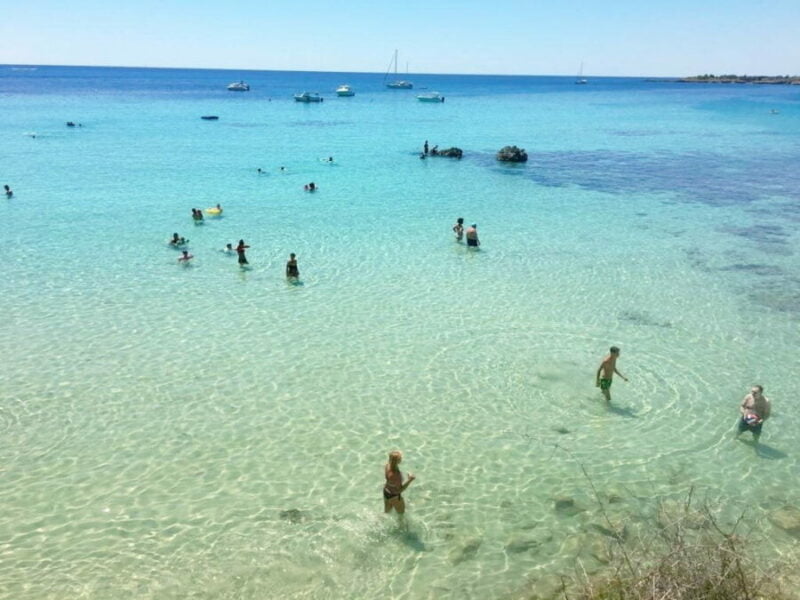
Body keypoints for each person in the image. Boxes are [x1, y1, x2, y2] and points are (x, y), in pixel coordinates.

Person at [384, 450, 415, 515]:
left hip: (386, 492)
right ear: (398, 461)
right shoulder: (396, 475)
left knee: (387, 513)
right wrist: (410, 480)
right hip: (394, 496)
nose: (402, 459)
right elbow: (399, 490)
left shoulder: (387, 466)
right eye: (400, 458)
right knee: (401, 514)